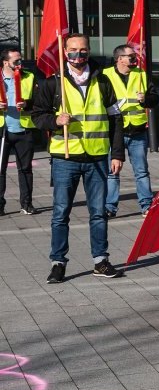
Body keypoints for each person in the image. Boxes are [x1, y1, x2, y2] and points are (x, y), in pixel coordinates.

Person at [29, 33, 126, 283]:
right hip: (65, 158)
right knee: (60, 213)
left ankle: (100, 261)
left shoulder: (103, 82)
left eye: (83, 50)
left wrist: (117, 154)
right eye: (73, 50)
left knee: (98, 212)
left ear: (89, 51)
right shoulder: (53, 84)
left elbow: (116, 120)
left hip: (96, 158)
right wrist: (55, 120)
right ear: (65, 52)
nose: (78, 55)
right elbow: (36, 116)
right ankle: (58, 262)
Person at [103, 44, 159, 218]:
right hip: (114, 130)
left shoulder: (141, 74)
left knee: (141, 171)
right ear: (119, 59)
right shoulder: (105, 75)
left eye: (134, 56)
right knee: (112, 172)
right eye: (130, 56)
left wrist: (145, 99)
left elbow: (155, 99)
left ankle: (146, 205)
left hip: (137, 130)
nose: (134, 59)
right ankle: (110, 207)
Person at [0, 47, 37, 215]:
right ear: (5, 62)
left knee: (25, 169)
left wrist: (27, 104)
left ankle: (27, 204)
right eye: (16, 61)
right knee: (0, 170)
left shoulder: (28, 77)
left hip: (23, 129)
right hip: (2, 130)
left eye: (20, 60)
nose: (19, 64)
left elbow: (38, 100)